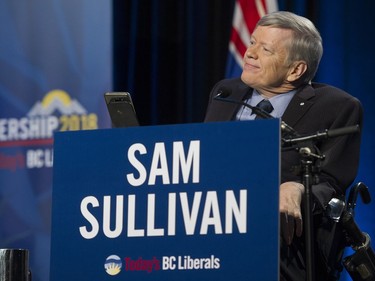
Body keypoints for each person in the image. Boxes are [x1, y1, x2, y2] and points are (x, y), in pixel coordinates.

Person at [204, 11, 363, 281]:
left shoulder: (336, 107)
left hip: (283, 247)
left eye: (264, 49)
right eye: (252, 42)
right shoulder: (225, 93)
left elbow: (332, 182)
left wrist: (298, 187)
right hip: (213, 232)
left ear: (295, 70)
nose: (250, 53)